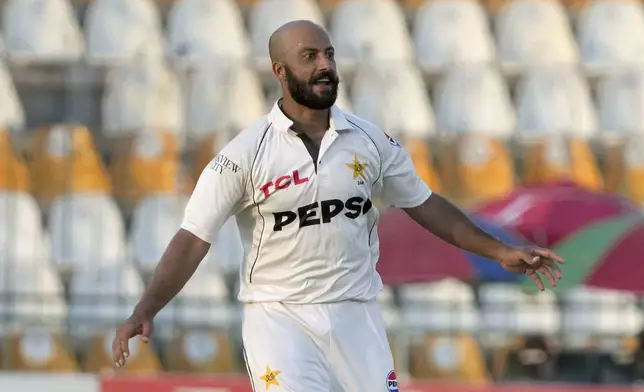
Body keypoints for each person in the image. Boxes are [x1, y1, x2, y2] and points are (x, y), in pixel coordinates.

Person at [112, 20, 564, 391]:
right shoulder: (242, 155)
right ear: (281, 71)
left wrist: (502, 251)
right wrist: (146, 309)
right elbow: (193, 239)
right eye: (309, 57)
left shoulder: (370, 141)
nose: (325, 65)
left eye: (328, 54)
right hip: (279, 318)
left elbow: (425, 204)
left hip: (356, 313)